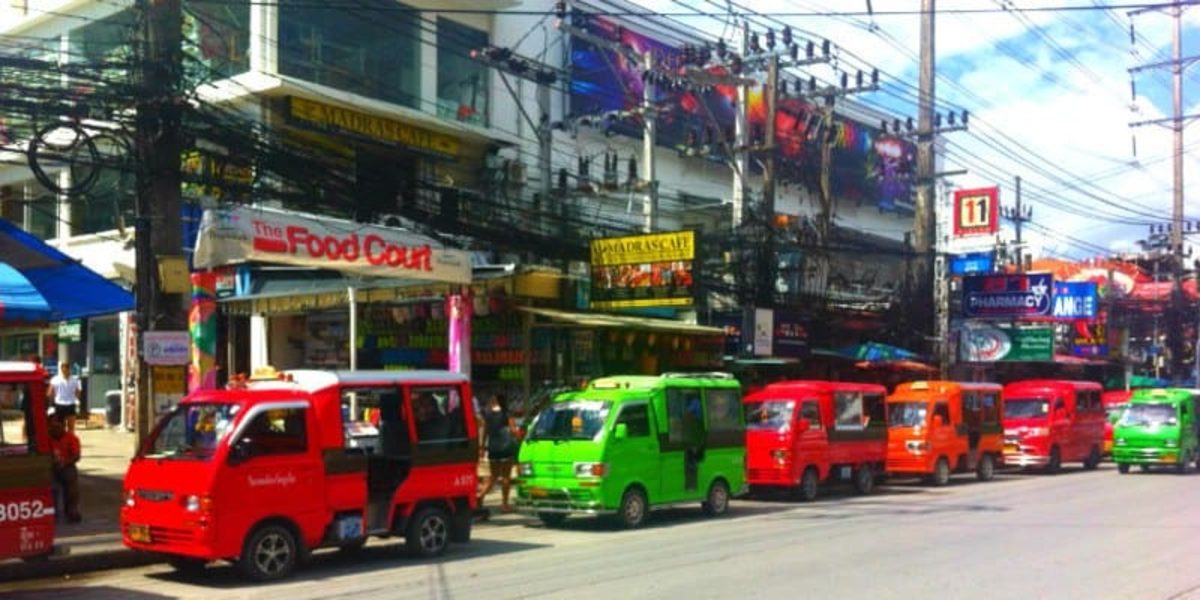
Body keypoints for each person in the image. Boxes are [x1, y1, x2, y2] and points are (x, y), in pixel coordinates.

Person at [477, 394, 518, 513]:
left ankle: (480, 496)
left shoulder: (488, 413)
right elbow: (513, 430)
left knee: (493, 476)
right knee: (506, 477)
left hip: (493, 447)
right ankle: (504, 505)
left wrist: (482, 447)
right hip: (505, 446)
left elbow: (485, 430)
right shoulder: (507, 412)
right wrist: (518, 434)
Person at [48, 414, 82, 523]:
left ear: (63, 426)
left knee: (71, 478)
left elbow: (76, 456)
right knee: (49, 483)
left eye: (57, 427)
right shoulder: (46, 438)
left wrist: (65, 462)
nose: (54, 430)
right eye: (52, 427)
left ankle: (72, 510)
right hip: (50, 467)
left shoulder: (71, 438)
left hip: (66, 466)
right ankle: (52, 511)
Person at [47, 360, 81, 433]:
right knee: (60, 426)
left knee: (71, 426)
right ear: (61, 368)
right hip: (59, 404)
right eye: (64, 367)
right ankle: (62, 442)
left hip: (71, 404)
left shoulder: (75, 380)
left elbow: (78, 392)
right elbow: (50, 393)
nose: (65, 369)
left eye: (67, 367)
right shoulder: (55, 379)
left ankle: (70, 441)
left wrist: (77, 401)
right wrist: (51, 403)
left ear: (69, 369)